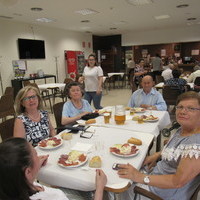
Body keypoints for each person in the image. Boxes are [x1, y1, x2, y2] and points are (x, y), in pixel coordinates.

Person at [118, 91, 200, 200]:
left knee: (121, 184)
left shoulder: (195, 145)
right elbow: (175, 151)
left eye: (190, 108)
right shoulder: (183, 129)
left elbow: (177, 182)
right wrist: (156, 155)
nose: (183, 111)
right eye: (180, 107)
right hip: (157, 176)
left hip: (163, 193)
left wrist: (140, 177)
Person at [0, 137, 107, 200]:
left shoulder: (13, 183)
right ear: (27, 172)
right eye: (36, 154)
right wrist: (99, 189)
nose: (39, 157)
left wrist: (35, 165)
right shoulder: (52, 197)